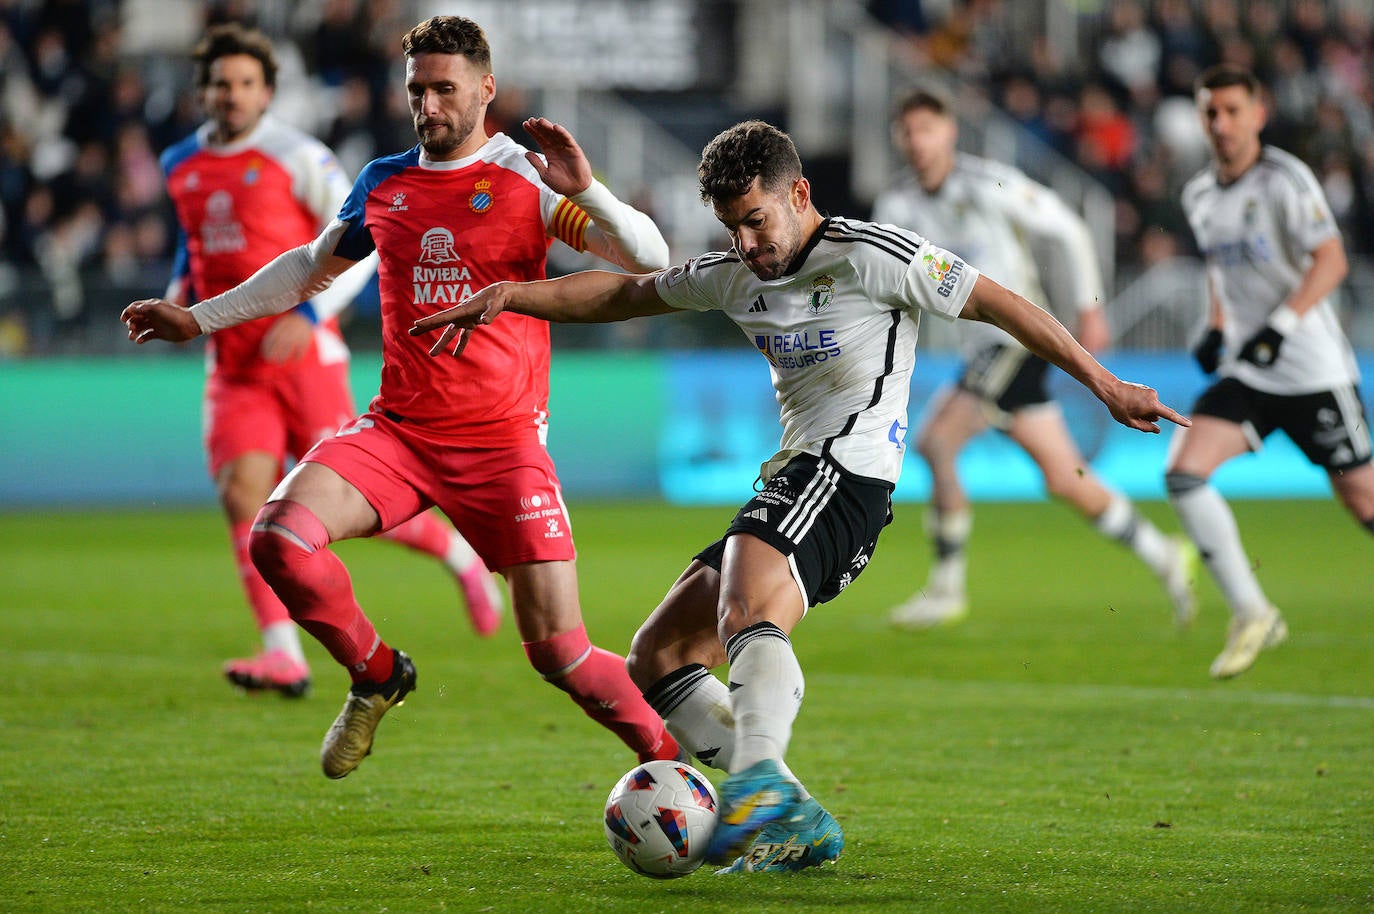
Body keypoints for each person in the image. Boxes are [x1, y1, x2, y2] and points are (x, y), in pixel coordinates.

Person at [411, 120, 1187, 872]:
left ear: (799, 194)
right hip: (798, 478)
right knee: (660, 655)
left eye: (756, 220)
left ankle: (756, 781)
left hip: (848, 475)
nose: (749, 243)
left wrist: (1106, 382)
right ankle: (800, 817)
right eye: (732, 226)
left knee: (747, 604)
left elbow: (999, 302)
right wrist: (512, 293)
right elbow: (621, 296)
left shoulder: (872, 256)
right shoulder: (735, 274)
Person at [123, 15, 681, 778]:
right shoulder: (385, 180)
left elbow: (648, 259)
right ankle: (378, 675)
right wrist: (197, 316)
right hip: (400, 434)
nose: (428, 107)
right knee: (276, 537)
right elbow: (309, 267)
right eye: (417, 90)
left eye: (444, 89)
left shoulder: (527, 177)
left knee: (562, 654)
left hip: (504, 443)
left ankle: (676, 763)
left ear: (486, 89)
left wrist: (592, 193)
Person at [160, 23, 502, 699]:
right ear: (203, 91)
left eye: (245, 84)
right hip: (234, 366)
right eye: (220, 84)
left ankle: (458, 554)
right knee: (244, 499)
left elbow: (350, 251)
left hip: (304, 355)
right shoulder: (180, 164)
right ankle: (283, 652)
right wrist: (180, 297)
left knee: (349, 501)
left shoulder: (301, 156)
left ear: (267, 92)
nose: (231, 96)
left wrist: (309, 314)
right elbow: (193, 244)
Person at [872, 86, 1198, 630]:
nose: (918, 141)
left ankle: (947, 589)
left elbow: (1068, 228)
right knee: (1064, 478)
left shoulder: (987, 183)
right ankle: (1164, 553)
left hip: (1018, 340)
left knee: (935, 442)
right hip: (980, 350)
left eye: (927, 128)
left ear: (950, 131)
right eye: (908, 131)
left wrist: (1089, 305)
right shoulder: (897, 205)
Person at [1172, 64, 1374, 679]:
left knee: (1361, 499)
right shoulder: (1199, 194)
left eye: (1233, 111)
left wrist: (1279, 328)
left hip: (1311, 369)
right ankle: (1252, 611)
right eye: (1211, 112)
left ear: (1258, 115)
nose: (1221, 124)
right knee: (1184, 474)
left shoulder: (1287, 179)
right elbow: (1220, 270)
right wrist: (1215, 327)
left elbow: (1332, 261)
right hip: (1250, 373)